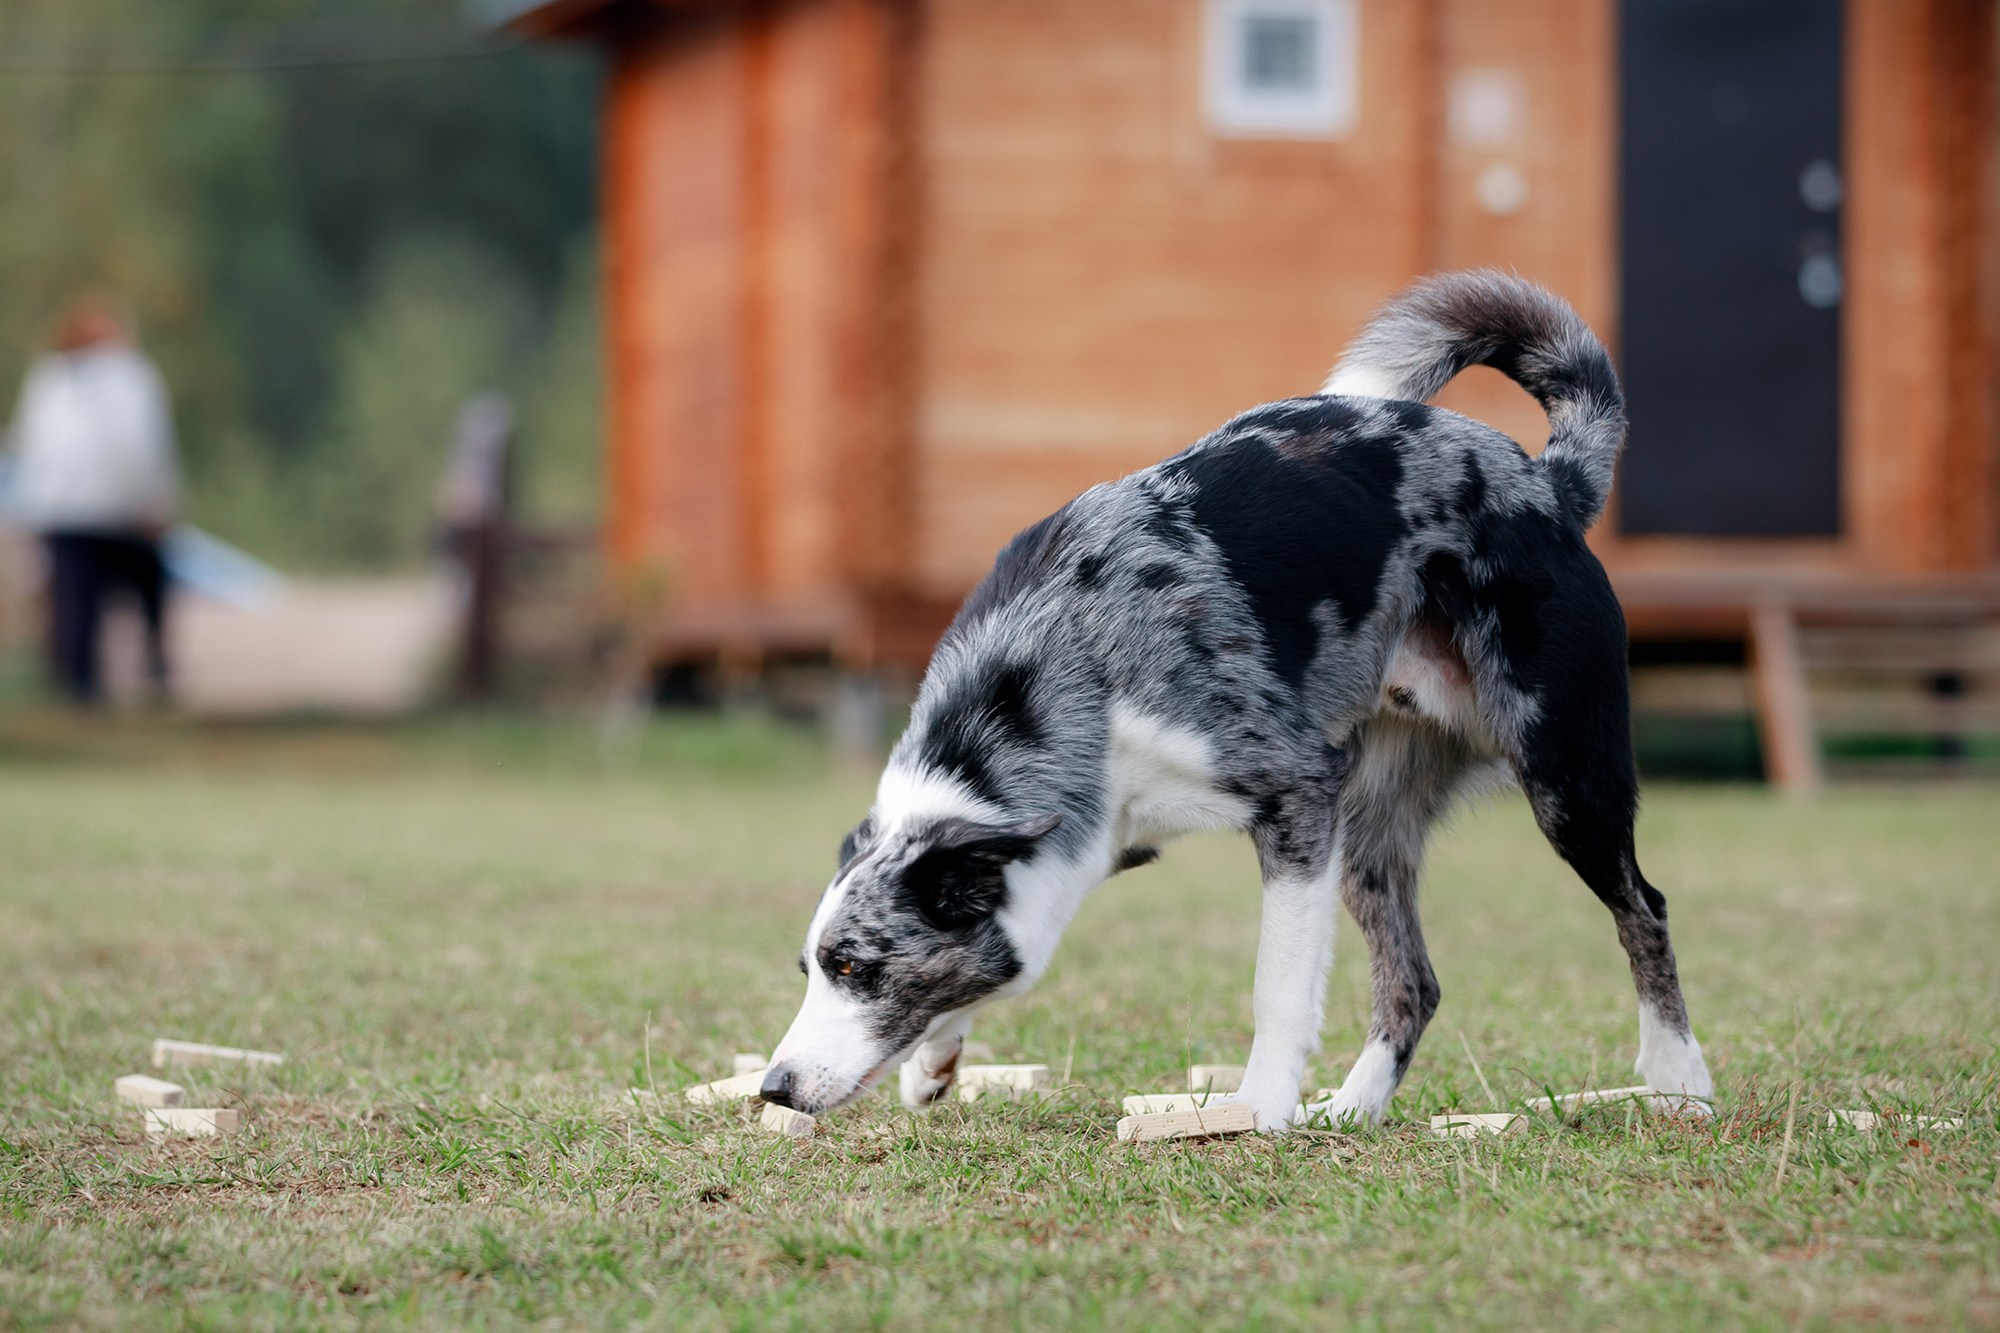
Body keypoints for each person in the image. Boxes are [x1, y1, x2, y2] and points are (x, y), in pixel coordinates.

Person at [4, 296, 180, 703]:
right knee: (142, 592)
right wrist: (156, 499)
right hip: (117, 510)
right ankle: (148, 671)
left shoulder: (48, 379)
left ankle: (83, 687)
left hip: (62, 511)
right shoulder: (131, 377)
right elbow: (145, 446)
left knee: (78, 603)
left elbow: (29, 446)